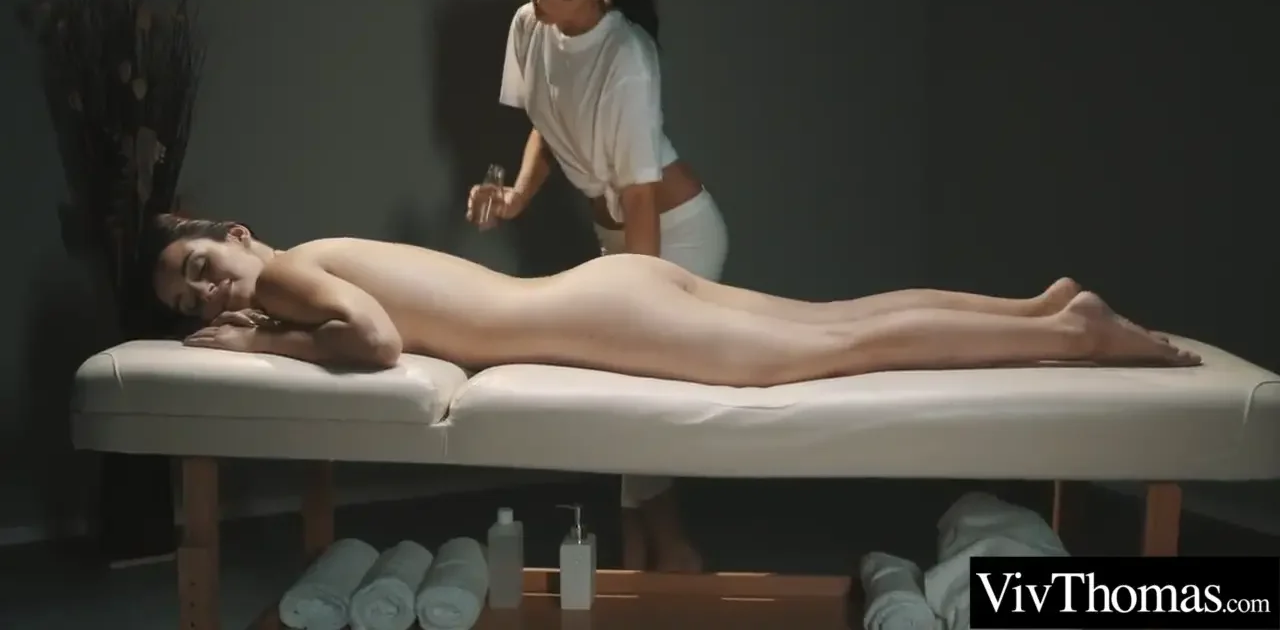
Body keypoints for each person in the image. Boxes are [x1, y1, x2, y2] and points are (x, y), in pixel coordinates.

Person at [147, 215, 1199, 572]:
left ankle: (1069, 332)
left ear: (237, 235)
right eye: (188, 298)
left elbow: (374, 343)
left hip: (601, 315)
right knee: (839, 321)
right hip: (609, 293)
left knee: (845, 345)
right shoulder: (315, 255)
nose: (208, 293)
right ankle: (1042, 309)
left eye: (201, 265)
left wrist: (265, 342)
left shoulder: (285, 279)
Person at [466, 0, 729, 573]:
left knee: (638, 395)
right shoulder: (529, 27)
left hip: (675, 235)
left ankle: (672, 554)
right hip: (616, 238)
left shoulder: (628, 57)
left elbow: (639, 197)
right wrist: (516, 196)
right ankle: (639, 557)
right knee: (628, 400)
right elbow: (548, 121)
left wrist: (639, 302)